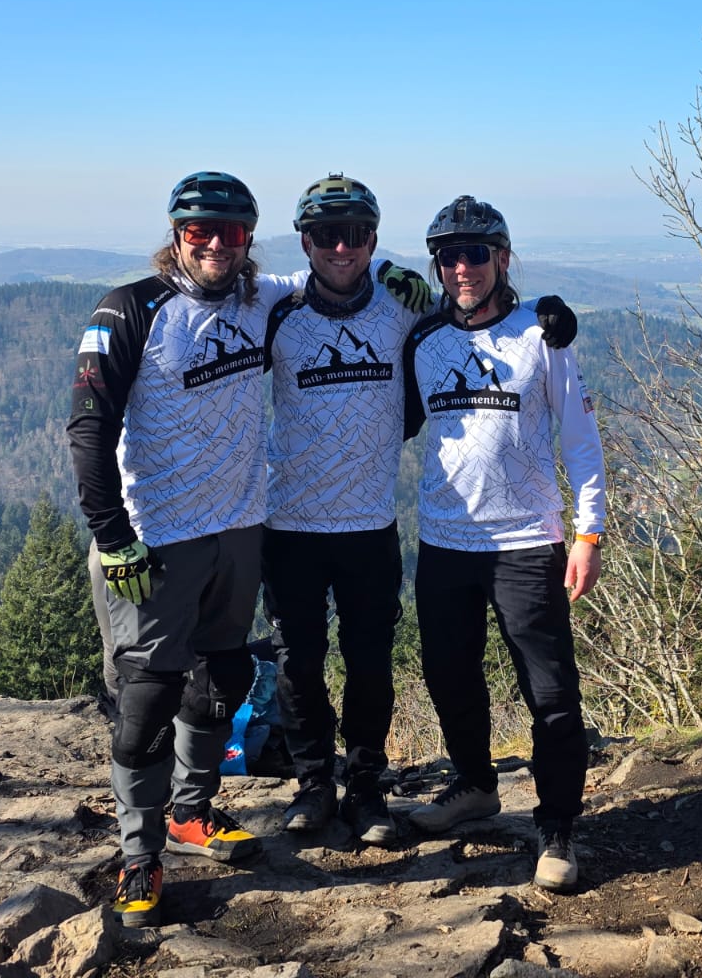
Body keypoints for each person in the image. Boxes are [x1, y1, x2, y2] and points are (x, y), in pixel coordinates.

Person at [67, 171, 429, 927]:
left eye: (232, 234)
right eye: (200, 231)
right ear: (176, 233)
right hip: (155, 537)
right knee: (145, 700)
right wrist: (112, 536)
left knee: (221, 677)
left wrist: (404, 270)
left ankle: (192, 814)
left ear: (250, 242)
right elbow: (89, 429)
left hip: (239, 527)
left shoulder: (264, 298)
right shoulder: (129, 308)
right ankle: (140, 855)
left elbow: (342, 272)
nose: (217, 246)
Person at [262, 174, 576, 847]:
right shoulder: (275, 308)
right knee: (299, 665)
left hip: (374, 523)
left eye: (356, 236)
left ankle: (367, 787)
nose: (340, 248)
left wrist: (549, 313)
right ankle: (315, 784)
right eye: (325, 235)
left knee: (371, 663)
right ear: (305, 241)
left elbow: (469, 314)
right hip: (289, 521)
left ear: (374, 239)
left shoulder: (406, 311)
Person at [401, 194, 606, 893]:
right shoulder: (423, 338)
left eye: (477, 253)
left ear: (503, 258)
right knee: (449, 674)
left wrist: (589, 532)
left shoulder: (543, 337)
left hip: (526, 540)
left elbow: (581, 442)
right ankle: (474, 787)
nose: (462, 267)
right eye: (450, 256)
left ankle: (557, 828)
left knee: (549, 692)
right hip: (445, 540)